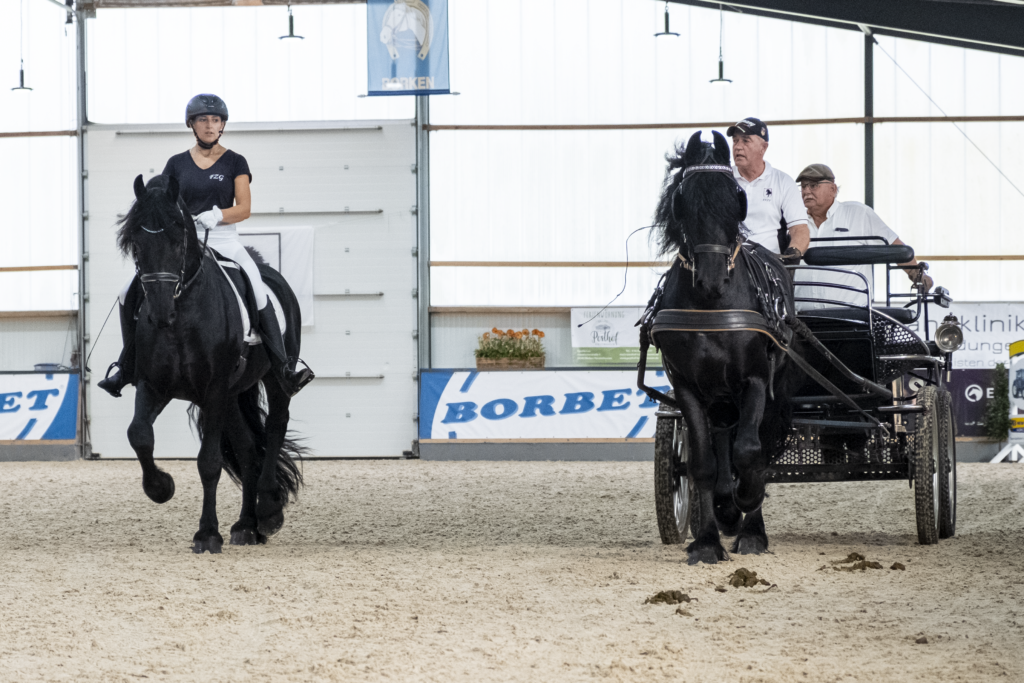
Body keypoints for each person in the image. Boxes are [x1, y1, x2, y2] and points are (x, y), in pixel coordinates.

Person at [99, 94, 313, 398]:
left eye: (215, 120)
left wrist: (218, 215)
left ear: (222, 125)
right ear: (193, 125)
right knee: (126, 293)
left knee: (258, 286)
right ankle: (127, 365)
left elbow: (245, 208)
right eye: (203, 120)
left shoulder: (235, 161)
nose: (209, 126)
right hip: (186, 244)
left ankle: (284, 365)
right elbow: (162, 200)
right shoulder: (176, 163)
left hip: (226, 240)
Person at [793, 162, 933, 309]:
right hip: (803, 320)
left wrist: (916, 274)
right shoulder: (794, 222)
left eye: (814, 185)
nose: (806, 191)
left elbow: (895, 247)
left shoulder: (858, 214)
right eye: (803, 186)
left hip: (852, 319)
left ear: (832, 189)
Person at [725, 117, 809, 263]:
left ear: (763, 148)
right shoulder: (723, 181)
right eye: (735, 141)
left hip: (768, 267)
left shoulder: (783, 182)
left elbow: (800, 230)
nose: (737, 147)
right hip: (729, 267)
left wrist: (792, 254)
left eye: (745, 141)